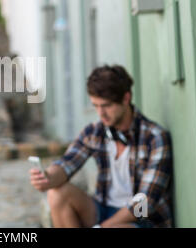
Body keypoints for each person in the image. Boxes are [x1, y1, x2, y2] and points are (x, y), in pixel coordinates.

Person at [30, 65, 173, 228]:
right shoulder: (94, 131)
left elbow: (144, 203)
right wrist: (47, 177)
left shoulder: (155, 138)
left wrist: (101, 227)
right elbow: (66, 164)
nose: (101, 113)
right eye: (96, 106)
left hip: (142, 220)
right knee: (56, 194)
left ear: (126, 99)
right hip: (103, 209)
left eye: (106, 106)